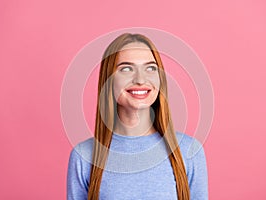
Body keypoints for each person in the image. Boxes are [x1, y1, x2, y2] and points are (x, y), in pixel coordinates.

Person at [67, 33, 208, 200]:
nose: (141, 79)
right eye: (126, 69)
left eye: (150, 68)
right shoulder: (84, 156)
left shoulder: (189, 151)